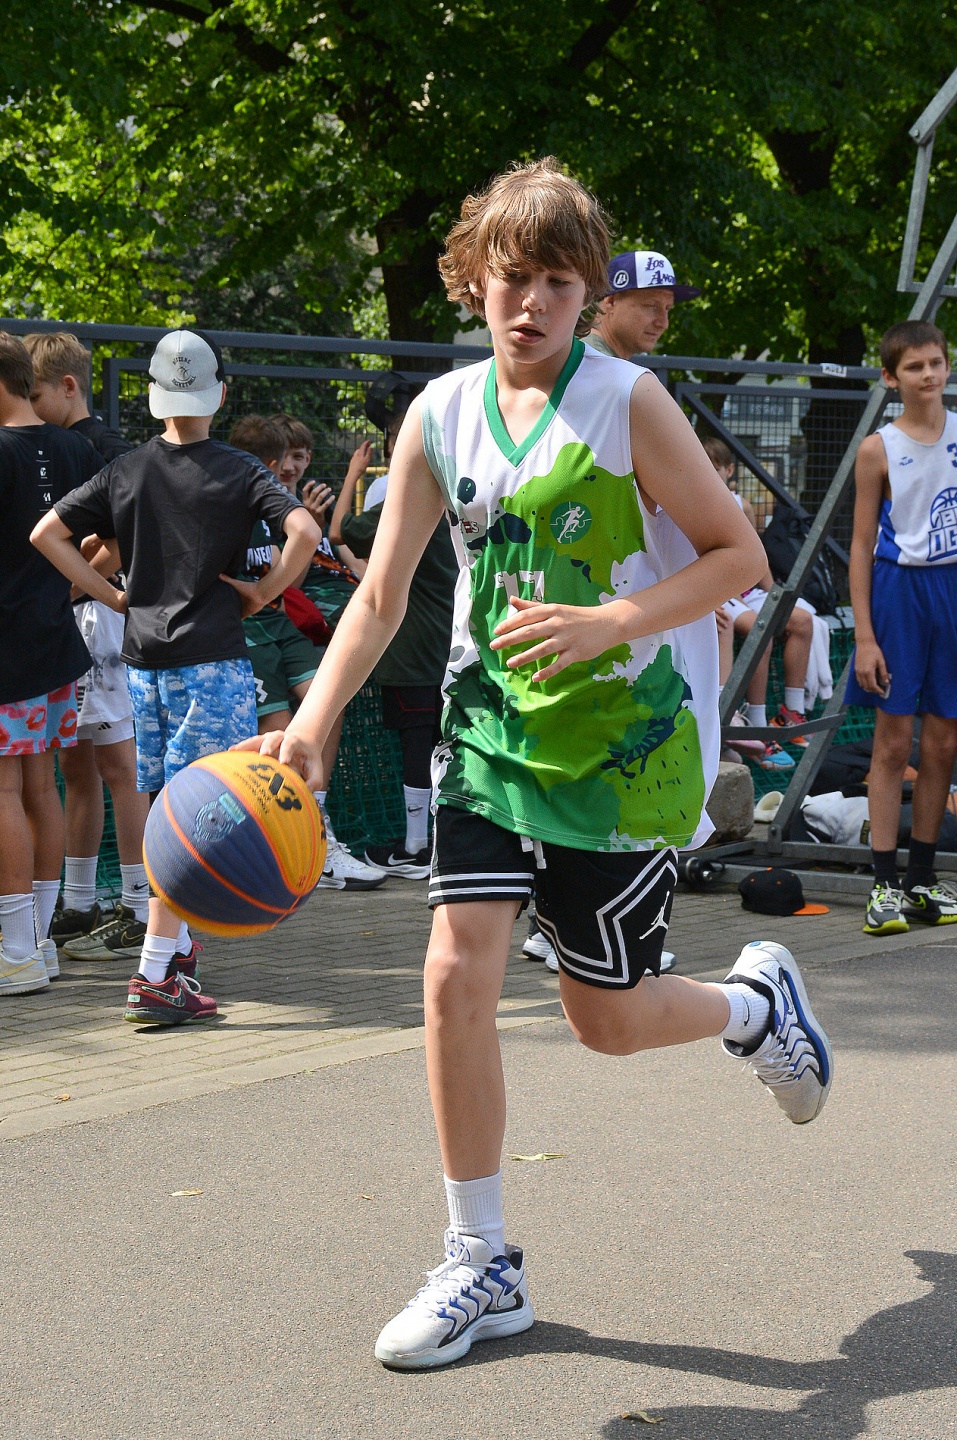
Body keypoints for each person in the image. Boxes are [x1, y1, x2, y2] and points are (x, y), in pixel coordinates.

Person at [237, 158, 833, 1370]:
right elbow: (382, 593)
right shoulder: (438, 413)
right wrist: (313, 722)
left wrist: (611, 621)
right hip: (487, 734)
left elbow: (740, 558)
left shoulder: (628, 402)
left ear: (586, 291)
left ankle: (755, 1005)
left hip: (620, 753)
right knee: (454, 969)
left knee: (607, 1023)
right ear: (474, 280)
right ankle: (481, 1258)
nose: (535, 302)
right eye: (514, 276)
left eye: (561, 281)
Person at [31, 329, 322, 1024]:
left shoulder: (126, 469)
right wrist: (265, 592)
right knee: (206, 815)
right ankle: (156, 972)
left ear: (152, 395)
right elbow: (306, 533)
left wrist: (113, 598)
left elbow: (47, 534)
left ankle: (177, 956)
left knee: (169, 811)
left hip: (144, 665)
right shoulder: (240, 470)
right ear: (220, 394)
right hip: (213, 660)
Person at [23, 330, 152, 961]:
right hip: (74, 623)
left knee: (120, 766)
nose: (28, 408)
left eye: (35, 395)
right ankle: (78, 900)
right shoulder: (55, 447)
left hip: (104, 621)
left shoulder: (104, 449)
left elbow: (126, 536)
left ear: (68, 387)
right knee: (76, 765)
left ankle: (139, 904)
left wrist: (76, 586)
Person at [230, 413, 385, 891]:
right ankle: (288, 848)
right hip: (244, 634)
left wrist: (305, 535)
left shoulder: (277, 511)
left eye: (294, 458)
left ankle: (317, 830)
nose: (287, 469)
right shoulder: (226, 504)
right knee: (278, 735)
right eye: (277, 462)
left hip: (279, 624)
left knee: (325, 702)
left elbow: (285, 580)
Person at [845, 318, 957, 936]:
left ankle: (921, 877)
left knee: (942, 744)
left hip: (952, 590)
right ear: (891, 378)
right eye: (914, 366)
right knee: (892, 744)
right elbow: (861, 545)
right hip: (899, 593)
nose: (928, 374)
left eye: (935, 362)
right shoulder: (877, 448)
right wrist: (865, 636)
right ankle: (883, 881)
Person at [0, 332, 100, 994]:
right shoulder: (74, 448)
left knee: (5, 792)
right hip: (56, 645)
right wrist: (77, 588)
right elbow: (104, 539)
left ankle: (15, 953)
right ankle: (36, 945)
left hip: (8, 648)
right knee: (41, 789)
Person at [322, 394, 457, 880]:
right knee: (441, 745)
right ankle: (436, 845)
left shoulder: (405, 501)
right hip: (450, 643)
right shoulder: (458, 496)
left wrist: (352, 475)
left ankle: (417, 848)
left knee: (417, 744)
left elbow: (339, 532)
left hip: (411, 648)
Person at [702, 436, 814, 766]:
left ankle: (792, 711)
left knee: (803, 620)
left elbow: (754, 553)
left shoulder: (742, 504)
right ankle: (757, 724)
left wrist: (775, 591)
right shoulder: (694, 500)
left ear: (729, 470)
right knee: (760, 630)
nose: (709, 472)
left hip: (745, 589)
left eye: (715, 467)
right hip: (718, 590)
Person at [585, 248, 700, 359]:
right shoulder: (594, 362)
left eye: (667, 308)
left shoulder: (595, 357)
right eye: (652, 306)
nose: (663, 324)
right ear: (611, 302)